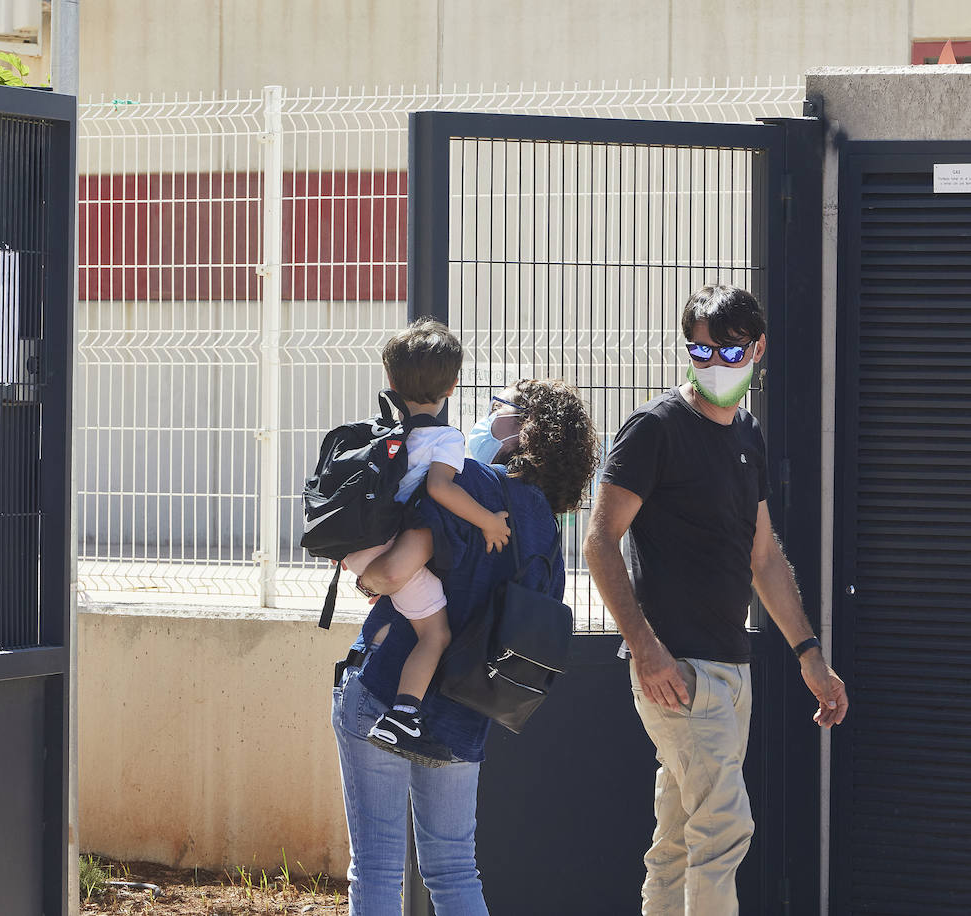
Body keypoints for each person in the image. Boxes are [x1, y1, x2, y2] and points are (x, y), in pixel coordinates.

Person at [581, 285, 849, 916]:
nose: (713, 364)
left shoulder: (747, 434)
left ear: (758, 348)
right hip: (677, 675)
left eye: (729, 351)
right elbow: (599, 542)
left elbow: (763, 557)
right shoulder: (654, 429)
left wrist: (809, 652)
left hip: (731, 674)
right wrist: (645, 649)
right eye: (699, 350)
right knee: (725, 832)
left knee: (677, 842)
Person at [336, 379, 599, 915]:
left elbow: (391, 571)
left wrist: (364, 577)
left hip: (386, 689)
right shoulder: (547, 526)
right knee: (454, 869)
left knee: (379, 867)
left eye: (498, 407)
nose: (486, 417)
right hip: (464, 711)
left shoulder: (469, 483)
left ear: (524, 430)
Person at [340, 319, 511, 766]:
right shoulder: (446, 439)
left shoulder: (384, 435)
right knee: (435, 634)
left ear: (391, 382)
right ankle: (403, 714)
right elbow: (440, 489)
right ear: (453, 386)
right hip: (396, 554)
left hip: (360, 549)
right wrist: (489, 521)